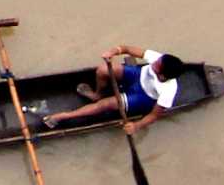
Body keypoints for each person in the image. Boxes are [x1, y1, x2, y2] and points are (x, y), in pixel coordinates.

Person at [41, 46, 184, 132]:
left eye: (157, 64)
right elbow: (126, 49)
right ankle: (97, 94)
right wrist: (113, 52)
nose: (156, 60)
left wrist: (137, 126)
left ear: (162, 75)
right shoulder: (159, 58)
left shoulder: (168, 91)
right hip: (136, 77)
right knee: (103, 70)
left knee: (107, 104)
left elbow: (154, 115)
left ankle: (63, 116)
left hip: (143, 97)